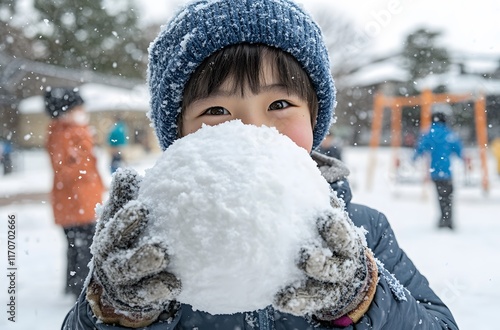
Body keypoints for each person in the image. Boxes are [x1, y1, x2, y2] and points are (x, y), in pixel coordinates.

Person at [62, 0, 458, 329]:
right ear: (179, 136)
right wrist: (114, 309)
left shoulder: (364, 231)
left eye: (280, 104)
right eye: (216, 109)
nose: (253, 129)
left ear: (314, 117)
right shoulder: (152, 239)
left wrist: (362, 299)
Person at [44, 87, 104, 299]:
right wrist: (84, 162)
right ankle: (82, 291)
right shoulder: (65, 133)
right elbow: (66, 170)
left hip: (78, 201)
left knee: (77, 248)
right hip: (77, 203)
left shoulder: (70, 131)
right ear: (67, 110)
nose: (82, 111)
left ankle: (74, 287)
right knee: (85, 250)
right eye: (78, 107)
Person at [413, 104, 463, 230]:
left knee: (440, 196)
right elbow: (458, 150)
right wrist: (464, 159)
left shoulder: (429, 133)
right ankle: (448, 220)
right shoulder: (449, 134)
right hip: (447, 171)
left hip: (435, 171)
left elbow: (420, 148)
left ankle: (443, 219)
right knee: (448, 196)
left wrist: (413, 158)